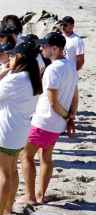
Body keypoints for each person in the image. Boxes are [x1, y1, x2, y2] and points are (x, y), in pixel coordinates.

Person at [21, 32, 79, 205]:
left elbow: (53, 102)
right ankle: (40, 194)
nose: (41, 48)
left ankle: (30, 196)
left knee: (26, 156)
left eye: (44, 46)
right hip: (56, 123)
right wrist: (70, 118)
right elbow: (75, 96)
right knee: (46, 156)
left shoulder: (53, 69)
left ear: (55, 49)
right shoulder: (70, 66)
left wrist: (67, 116)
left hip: (44, 120)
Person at [0, 41, 42, 215]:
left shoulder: (16, 78)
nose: (9, 58)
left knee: (3, 173)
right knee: (12, 171)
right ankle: (8, 208)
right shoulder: (32, 77)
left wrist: (2, 74)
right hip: (19, 129)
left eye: (12, 56)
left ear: (20, 57)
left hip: (6, 130)